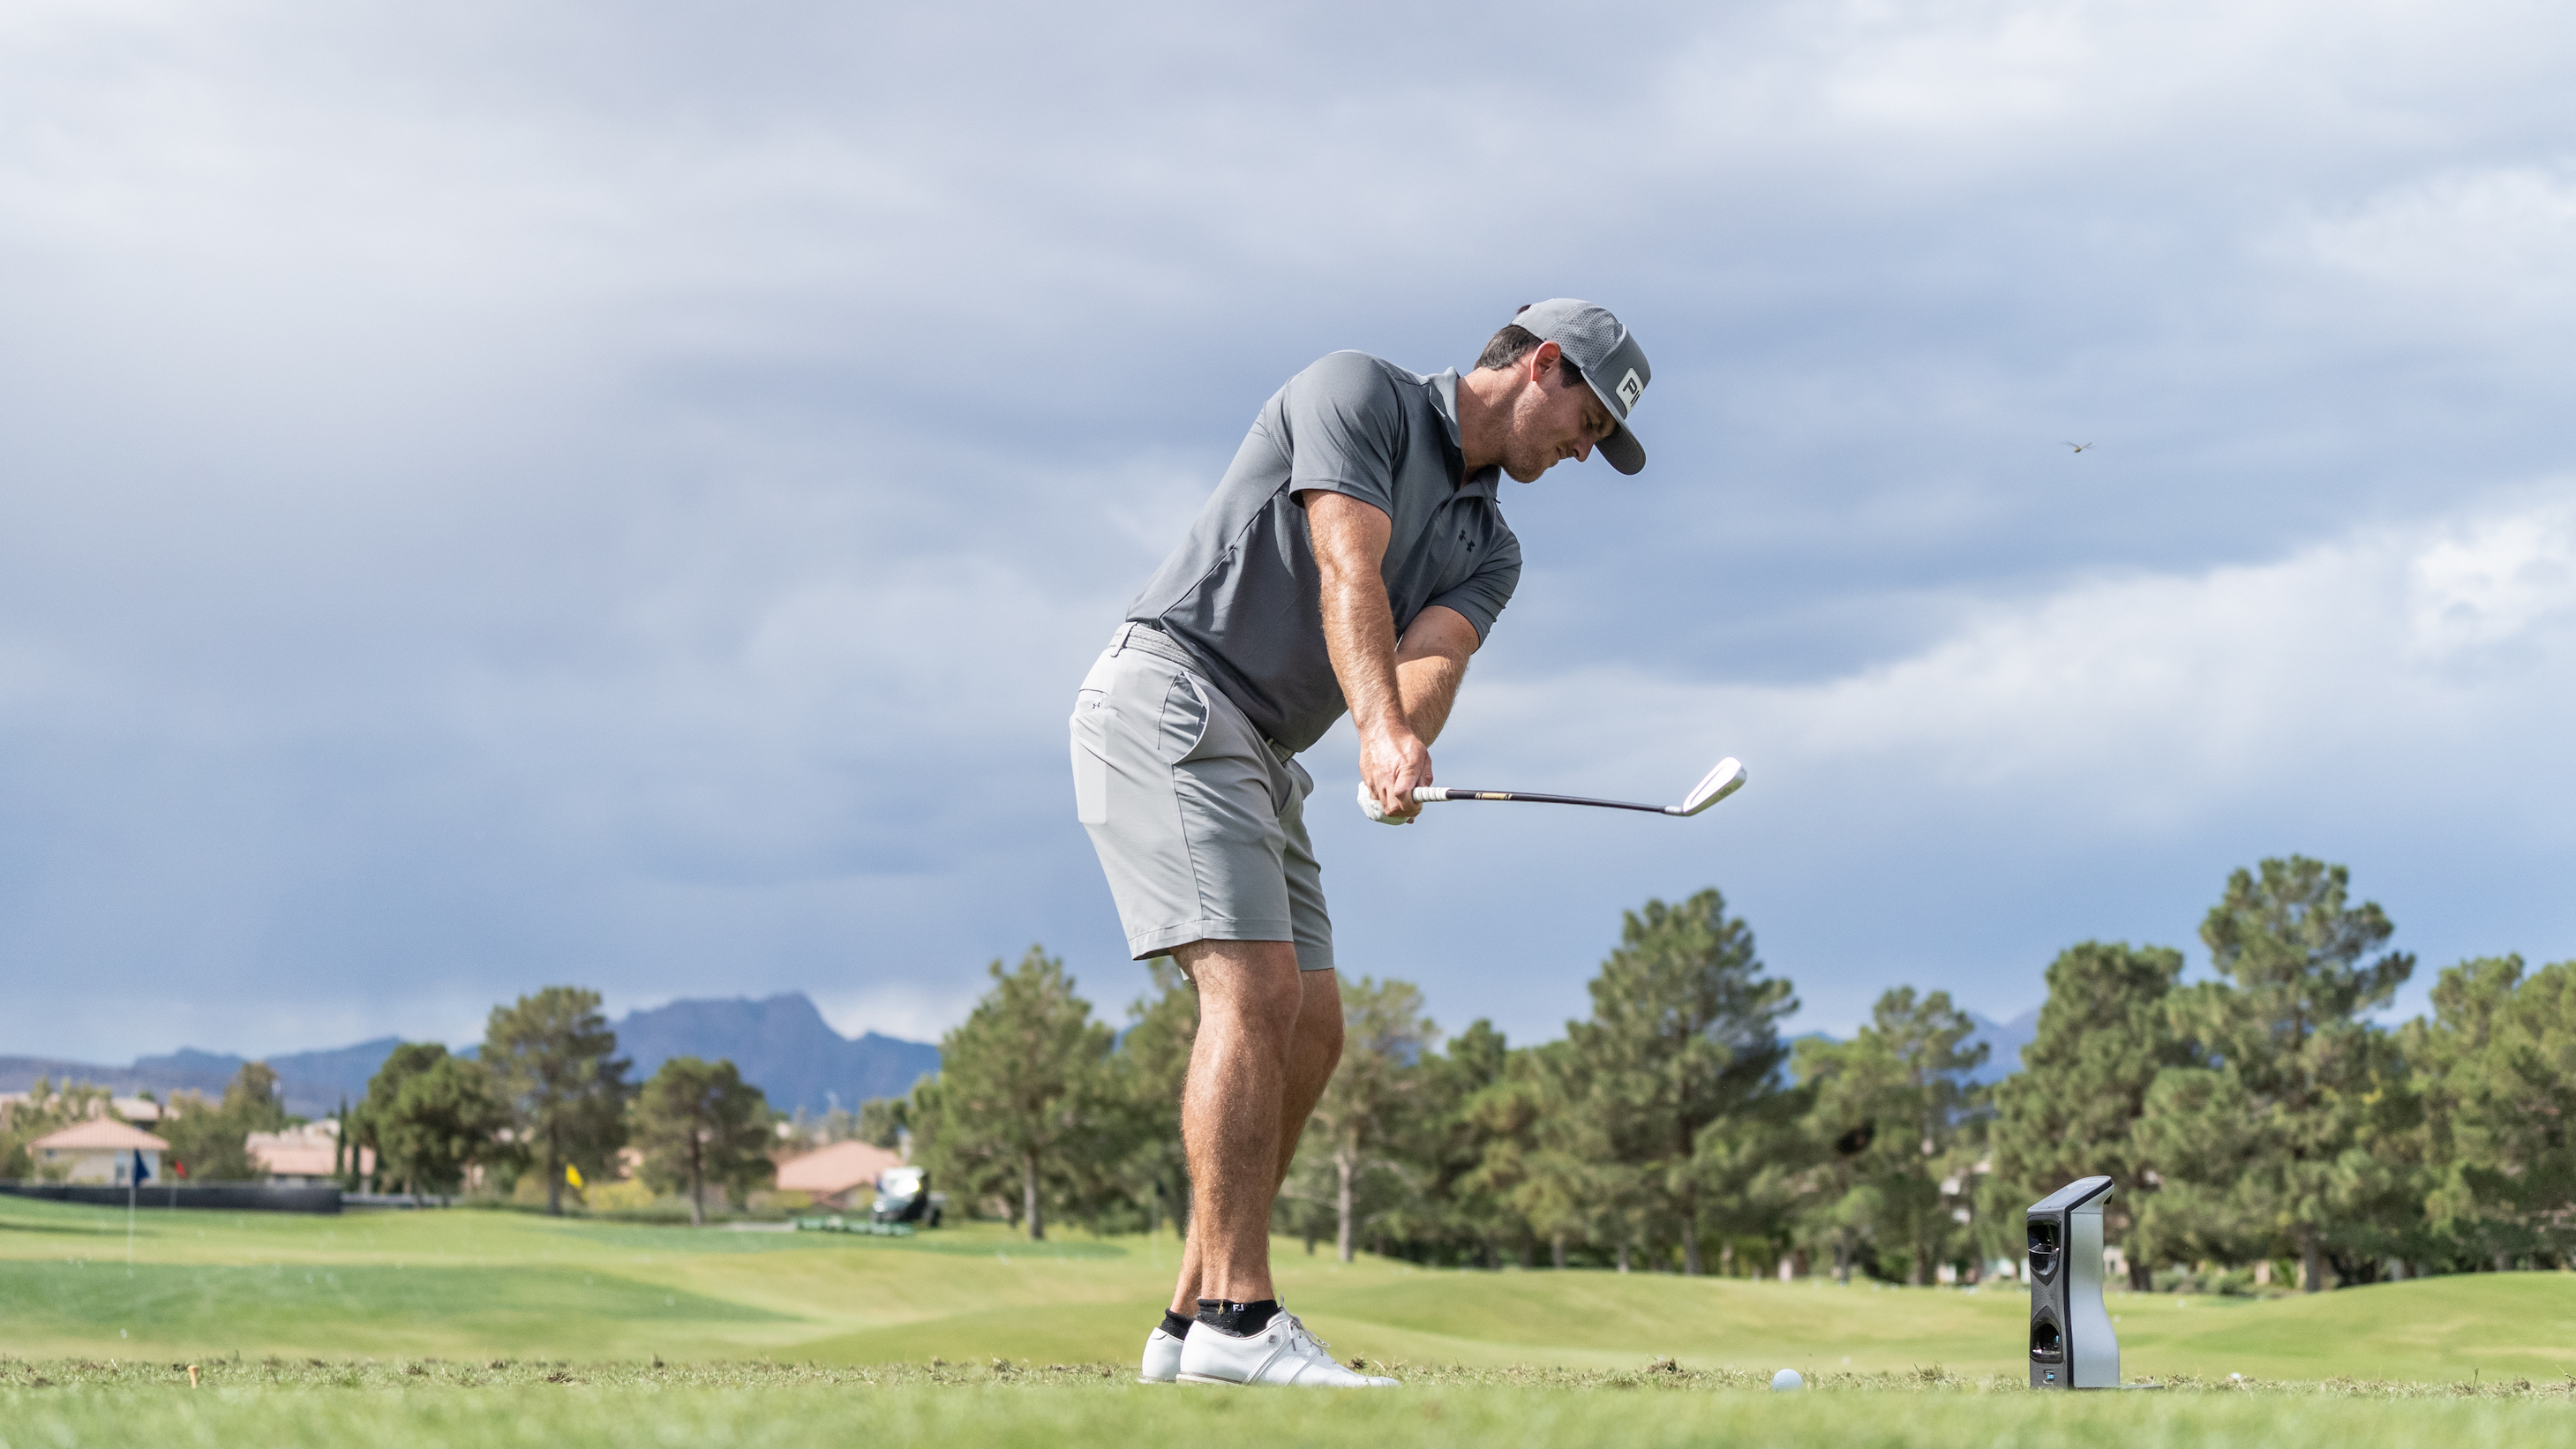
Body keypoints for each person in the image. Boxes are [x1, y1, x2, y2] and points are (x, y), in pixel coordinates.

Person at [1069, 300, 1653, 1387]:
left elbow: (1430, 654)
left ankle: (1188, 1321)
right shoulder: (1359, 393)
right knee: (1254, 996)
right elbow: (1350, 565)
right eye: (1588, 420)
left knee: (1316, 1024)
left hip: (1262, 754)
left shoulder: (1493, 544)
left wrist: (1404, 745)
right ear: (1544, 363)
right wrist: (1376, 728)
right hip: (1176, 698)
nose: (1586, 448)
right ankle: (1244, 1323)